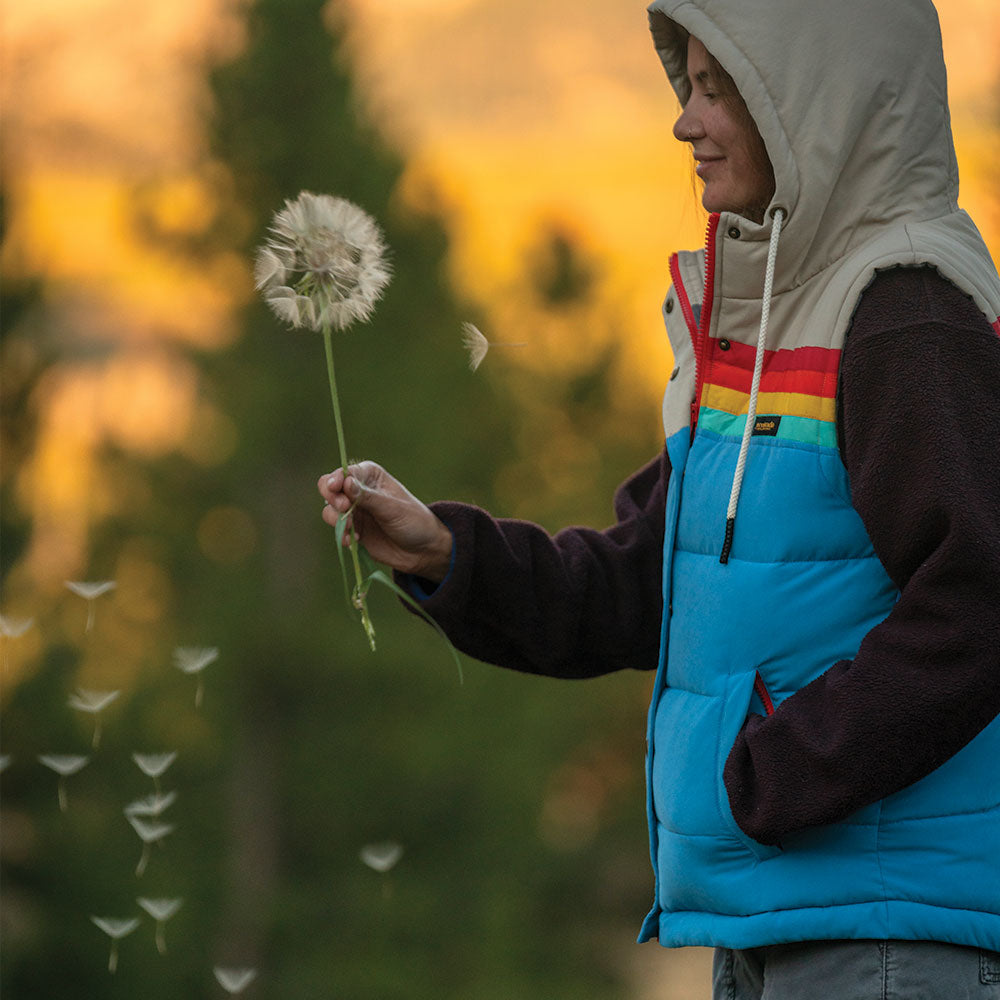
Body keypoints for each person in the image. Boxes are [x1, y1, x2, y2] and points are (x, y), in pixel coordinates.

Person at [319, 0, 1000, 995]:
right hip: (785, 922)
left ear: (813, 105)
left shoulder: (903, 311)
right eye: (689, 83)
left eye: (720, 89)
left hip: (885, 934)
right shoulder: (759, 329)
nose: (686, 117)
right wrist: (444, 555)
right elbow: (647, 579)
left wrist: (784, 771)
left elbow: (980, 599)